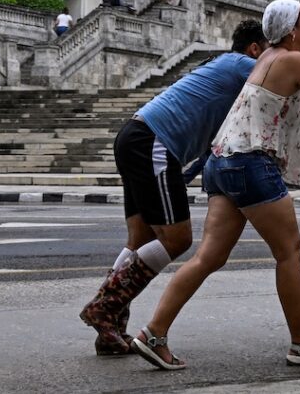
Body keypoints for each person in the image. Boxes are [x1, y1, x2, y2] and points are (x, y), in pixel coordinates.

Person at [131, 0, 300, 371]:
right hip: (251, 162)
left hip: (222, 161)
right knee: (288, 251)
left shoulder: (268, 61)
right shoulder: (292, 59)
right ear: (291, 30)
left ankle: (152, 333)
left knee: (209, 256)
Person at [79, 20, 270, 356]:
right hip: (153, 142)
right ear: (256, 49)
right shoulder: (244, 64)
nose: (275, 64)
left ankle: (109, 326)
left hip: (136, 136)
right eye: (271, 54)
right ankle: (104, 308)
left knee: (141, 240)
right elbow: (290, 92)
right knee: (177, 239)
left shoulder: (223, 69)